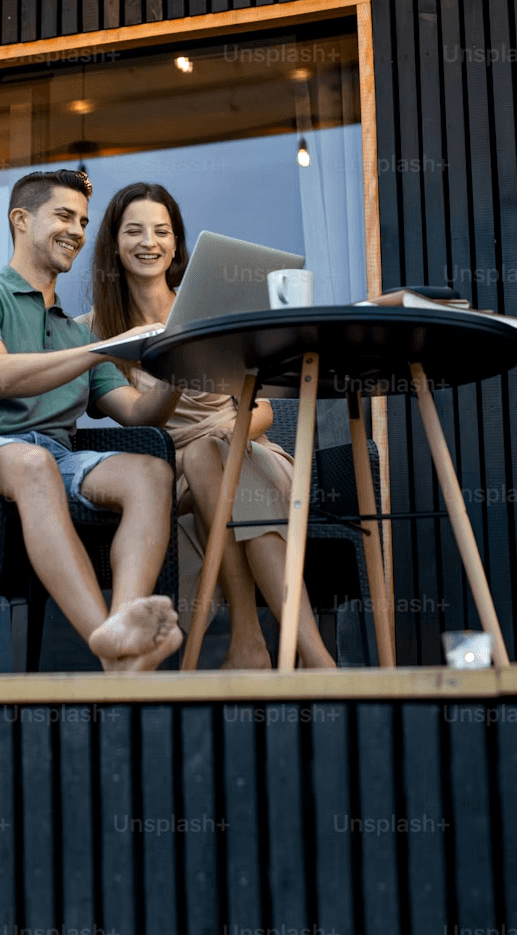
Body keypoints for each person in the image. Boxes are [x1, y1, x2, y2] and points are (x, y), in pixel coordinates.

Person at [0, 168, 184, 674]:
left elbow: (139, 413)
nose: (77, 230)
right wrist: (101, 351)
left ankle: (122, 630)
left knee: (151, 473)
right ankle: (109, 650)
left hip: (58, 459)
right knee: (33, 463)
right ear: (20, 220)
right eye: (63, 216)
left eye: (82, 220)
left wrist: (178, 368)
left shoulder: (74, 335)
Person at [83, 181, 335, 671]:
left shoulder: (211, 309)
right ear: (114, 243)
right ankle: (314, 657)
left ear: (177, 243)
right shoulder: (95, 331)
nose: (148, 242)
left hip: (245, 451)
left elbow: (261, 409)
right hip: (172, 472)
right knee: (202, 461)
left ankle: (252, 642)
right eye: (133, 231)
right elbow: (135, 413)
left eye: (161, 231)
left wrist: (230, 437)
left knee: (217, 462)